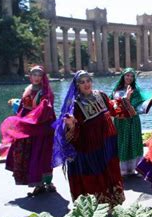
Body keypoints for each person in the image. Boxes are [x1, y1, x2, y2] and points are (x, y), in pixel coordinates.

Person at [52, 71, 135, 207]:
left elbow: (113, 109)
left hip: (107, 142)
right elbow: (70, 129)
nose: (86, 84)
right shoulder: (76, 105)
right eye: (82, 82)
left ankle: (113, 201)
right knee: (95, 174)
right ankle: (98, 206)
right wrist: (71, 124)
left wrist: (124, 99)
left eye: (88, 80)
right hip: (89, 147)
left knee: (110, 171)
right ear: (77, 85)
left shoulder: (100, 95)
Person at [0, 66, 56, 196]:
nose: (36, 77)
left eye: (39, 75)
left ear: (43, 77)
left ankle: (46, 182)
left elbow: (47, 110)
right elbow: (23, 107)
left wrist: (43, 108)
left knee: (42, 154)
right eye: (34, 74)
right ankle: (36, 182)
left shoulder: (46, 92)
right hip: (26, 128)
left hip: (40, 127)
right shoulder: (28, 89)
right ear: (30, 76)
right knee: (27, 154)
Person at [111, 68, 152, 176]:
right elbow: (111, 103)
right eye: (127, 75)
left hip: (132, 121)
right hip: (120, 121)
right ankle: (122, 169)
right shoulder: (116, 90)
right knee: (121, 142)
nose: (129, 78)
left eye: (132, 76)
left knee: (133, 142)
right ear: (123, 76)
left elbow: (140, 107)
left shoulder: (135, 91)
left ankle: (133, 168)